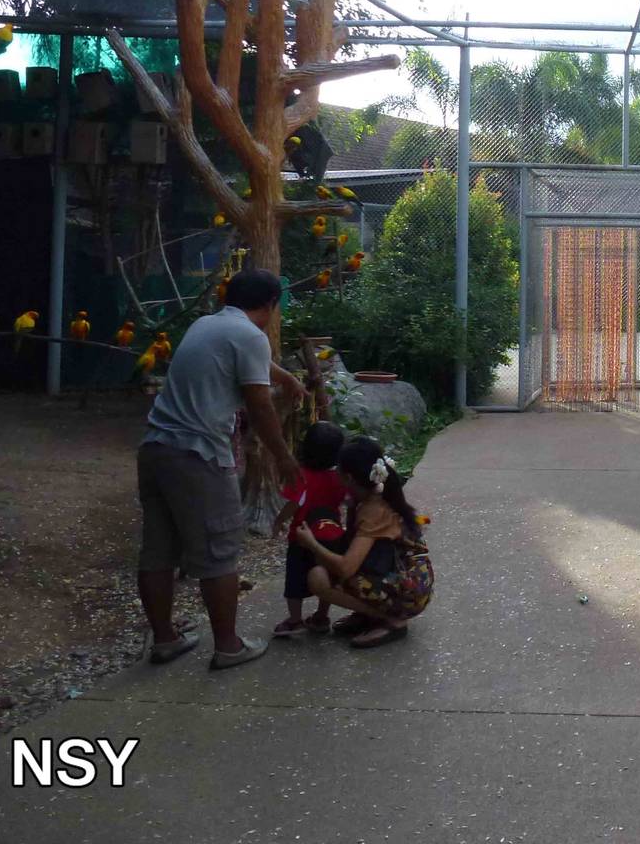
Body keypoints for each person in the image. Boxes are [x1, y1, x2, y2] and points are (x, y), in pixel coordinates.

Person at [136, 269, 304, 670]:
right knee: (220, 552)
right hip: (198, 456)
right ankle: (228, 646)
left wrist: (288, 378)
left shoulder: (207, 324)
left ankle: (164, 640)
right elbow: (259, 403)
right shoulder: (251, 335)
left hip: (156, 449)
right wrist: (284, 457)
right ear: (270, 305)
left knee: (159, 550)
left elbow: (252, 365)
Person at [295, 436, 434, 649]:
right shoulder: (376, 493)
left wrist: (311, 543)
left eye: (337, 469)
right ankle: (368, 614)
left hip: (409, 593)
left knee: (319, 578)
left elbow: (346, 567)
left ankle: (390, 619)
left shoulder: (373, 510)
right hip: (406, 582)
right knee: (330, 559)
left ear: (349, 478)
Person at [271, 420, 348, 638]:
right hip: (331, 536)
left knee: (295, 580)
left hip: (302, 538)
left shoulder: (301, 476)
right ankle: (321, 616)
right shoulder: (339, 477)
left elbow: (294, 503)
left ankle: (295, 619)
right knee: (327, 577)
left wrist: (279, 521)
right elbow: (345, 500)